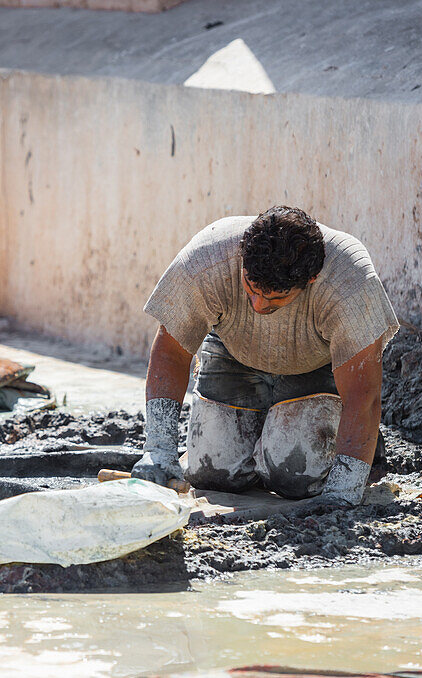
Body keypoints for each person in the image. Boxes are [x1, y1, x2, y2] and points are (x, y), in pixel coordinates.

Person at [130, 206, 398, 507]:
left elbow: (364, 395)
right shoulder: (208, 259)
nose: (258, 306)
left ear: (310, 279)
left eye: (275, 297)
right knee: (212, 473)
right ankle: (261, 441)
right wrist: (159, 450)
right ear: (242, 259)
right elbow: (171, 352)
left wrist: (343, 491)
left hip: (315, 364)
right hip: (234, 352)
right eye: (251, 288)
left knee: (295, 478)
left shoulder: (350, 283)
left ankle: (347, 442)